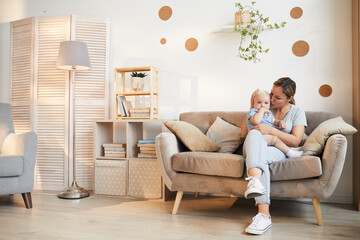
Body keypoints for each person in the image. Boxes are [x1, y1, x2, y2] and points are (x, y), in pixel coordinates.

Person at [240, 77, 307, 235]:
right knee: (255, 134)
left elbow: (296, 141)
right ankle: (262, 208)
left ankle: (263, 212)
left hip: (278, 149)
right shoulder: (261, 107)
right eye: (272, 94)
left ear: (289, 98)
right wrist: (252, 107)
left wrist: (269, 130)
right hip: (253, 145)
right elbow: (244, 134)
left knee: (259, 155)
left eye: (278, 97)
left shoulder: (297, 112)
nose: (271, 99)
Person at [247, 89, 303, 158]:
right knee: (274, 139)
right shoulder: (253, 111)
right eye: (259, 102)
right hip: (257, 137)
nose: (262, 105)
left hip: (265, 138)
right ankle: (290, 152)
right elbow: (256, 121)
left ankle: (288, 149)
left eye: (266, 103)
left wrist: (279, 122)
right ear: (253, 103)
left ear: (289, 99)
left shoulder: (268, 113)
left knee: (275, 139)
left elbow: (273, 121)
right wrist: (261, 111)